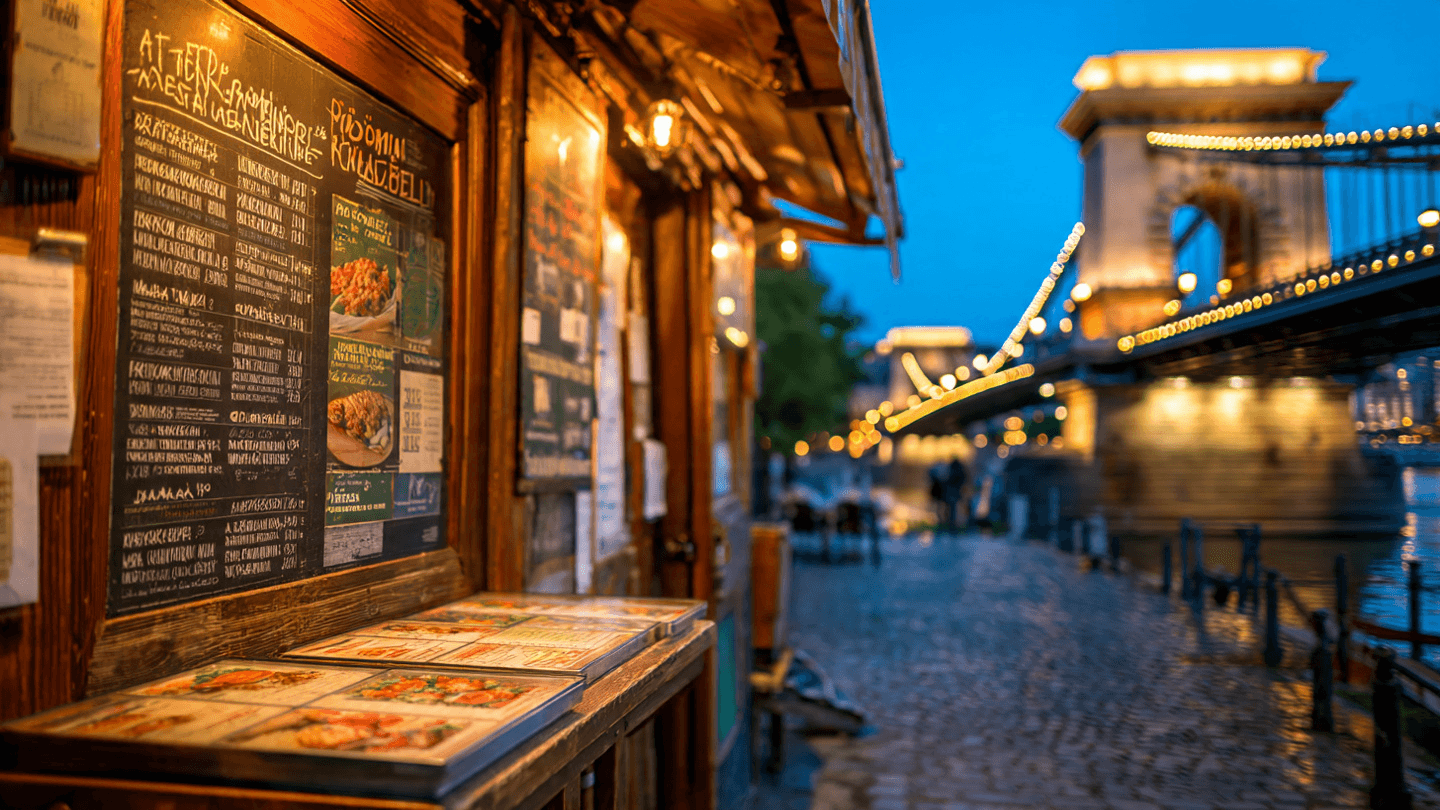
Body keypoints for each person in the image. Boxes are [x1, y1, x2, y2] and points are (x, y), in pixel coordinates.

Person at [942, 458, 967, 531]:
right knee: (952, 509)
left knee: (950, 509)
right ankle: (951, 524)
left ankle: (951, 524)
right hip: (955, 493)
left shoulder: (952, 471)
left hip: (951, 493)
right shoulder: (959, 470)